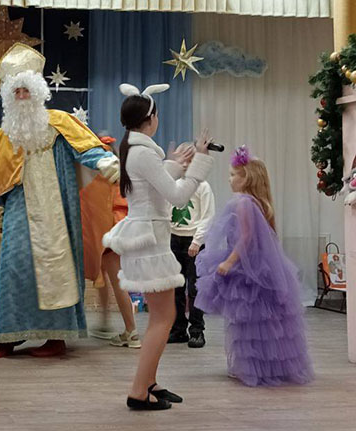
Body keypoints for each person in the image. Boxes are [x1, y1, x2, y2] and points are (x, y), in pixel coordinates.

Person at [0, 43, 120, 358]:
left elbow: (86, 148)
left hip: (57, 207)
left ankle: (56, 337)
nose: (21, 96)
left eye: (26, 90)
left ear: (37, 92)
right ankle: (10, 334)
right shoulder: (5, 134)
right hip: (20, 207)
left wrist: (105, 162)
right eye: (16, 91)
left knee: (58, 268)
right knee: (16, 266)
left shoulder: (60, 122)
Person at [103, 83, 214, 410]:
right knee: (164, 317)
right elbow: (177, 196)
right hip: (151, 241)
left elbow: (150, 186)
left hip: (147, 236)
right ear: (150, 118)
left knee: (162, 316)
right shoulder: (143, 152)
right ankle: (139, 391)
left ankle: (149, 383)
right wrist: (199, 163)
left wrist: (176, 163)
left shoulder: (135, 148)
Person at [195, 145, 314, 387]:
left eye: (232, 175)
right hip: (263, 267)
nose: (229, 180)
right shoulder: (258, 203)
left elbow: (246, 237)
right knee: (266, 321)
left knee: (247, 322)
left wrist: (228, 262)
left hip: (247, 269)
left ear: (246, 178)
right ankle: (269, 366)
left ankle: (251, 367)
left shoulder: (243, 203)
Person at [80, 135, 139, 348]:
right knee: (105, 279)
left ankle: (131, 331)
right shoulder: (121, 174)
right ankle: (107, 322)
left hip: (110, 231)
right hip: (118, 229)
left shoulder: (101, 178)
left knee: (115, 281)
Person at [168, 143, 215, 348]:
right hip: (174, 239)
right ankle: (178, 329)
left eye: (190, 160)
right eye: (182, 160)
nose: (186, 164)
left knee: (195, 288)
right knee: (176, 288)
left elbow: (208, 216)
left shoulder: (203, 186)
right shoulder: (173, 184)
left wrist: (197, 240)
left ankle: (196, 330)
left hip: (193, 242)